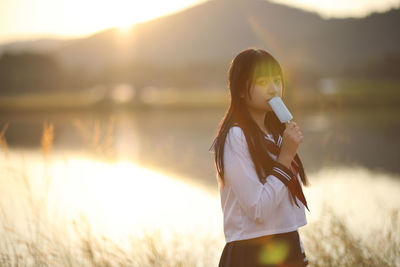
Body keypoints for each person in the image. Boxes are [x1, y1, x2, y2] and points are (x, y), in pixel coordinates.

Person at [209, 48, 310, 267]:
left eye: (277, 80)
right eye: (263, 82)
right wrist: (285, 158)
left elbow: (284, 208)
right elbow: (258, 209)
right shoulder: (236, 137)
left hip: (287, 243)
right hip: (251, 251)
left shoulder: (276, 135)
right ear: (242, 90)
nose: (273, 89)